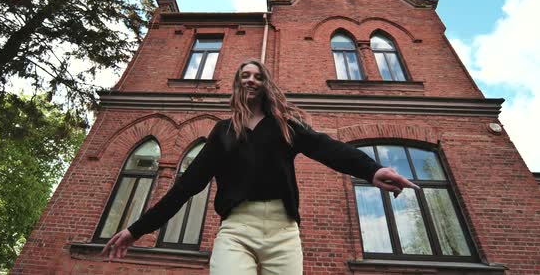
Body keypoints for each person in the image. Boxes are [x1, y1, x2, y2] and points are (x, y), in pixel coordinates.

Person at [101, 59, 419, 274]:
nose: (252, 80)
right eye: (245, 76)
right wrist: (136, 229)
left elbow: (325, 147)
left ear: (266, 84)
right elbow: (187, 186)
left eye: (258, 75)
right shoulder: (223, 132)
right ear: (238, 85)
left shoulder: (284, 126)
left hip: (283, 232)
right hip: (237, 230)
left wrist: (372, 170)